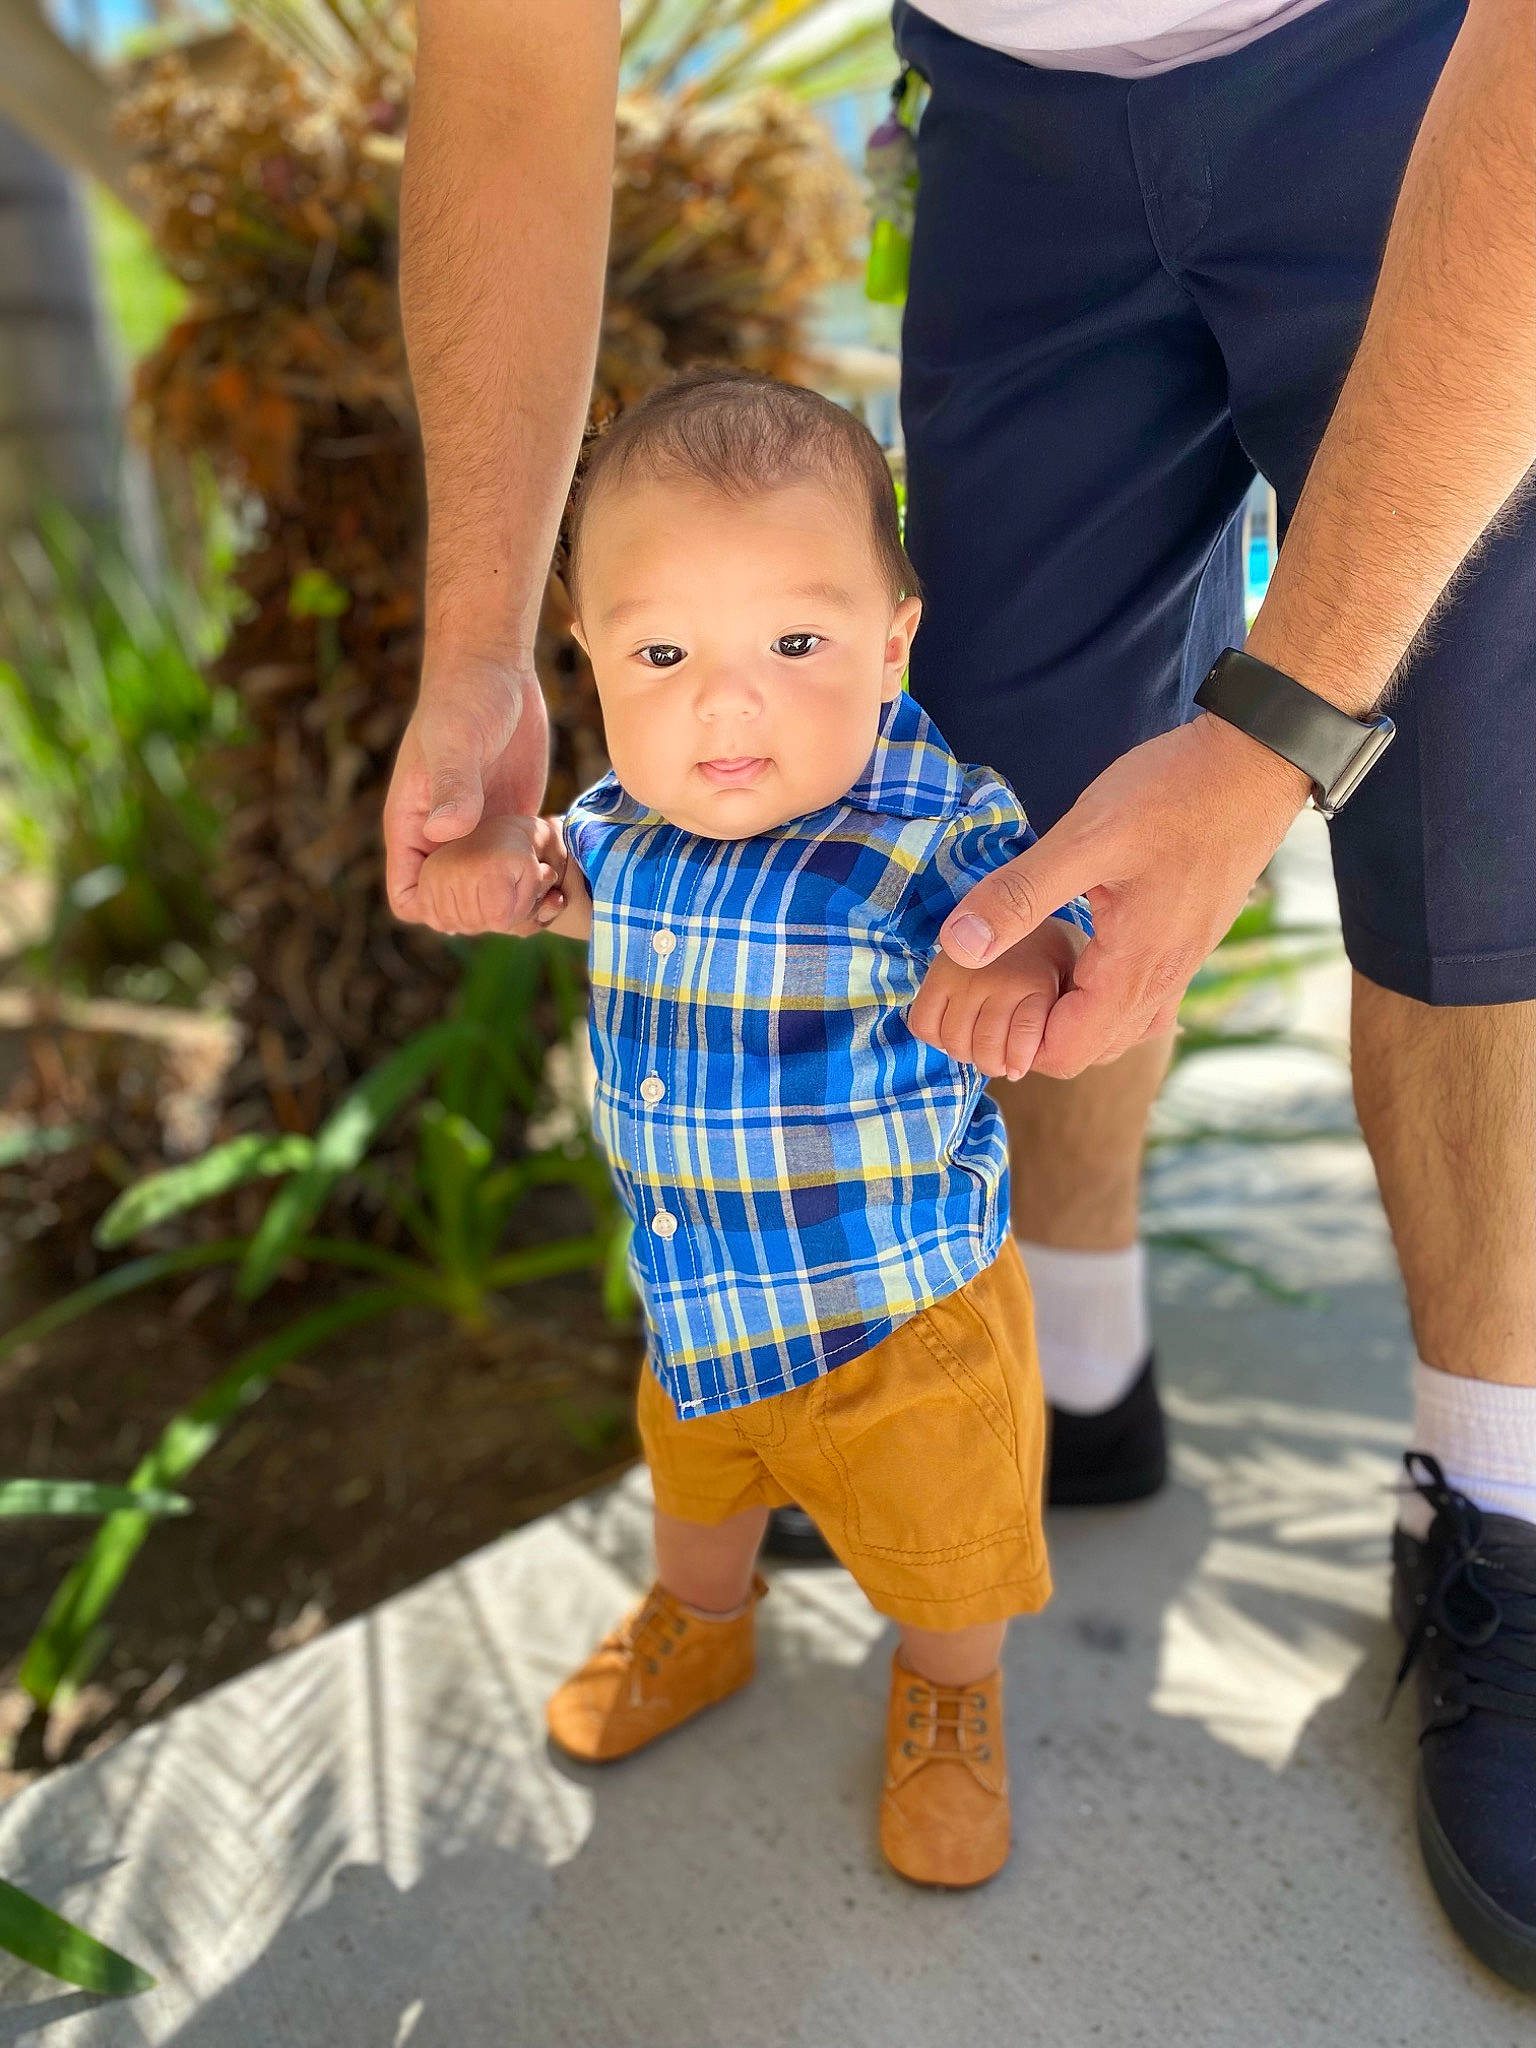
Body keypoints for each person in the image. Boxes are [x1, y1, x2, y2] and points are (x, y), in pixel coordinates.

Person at [385, 0, 1536, 1986]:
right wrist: (487, 643)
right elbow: (509, 65)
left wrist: (1270, 730)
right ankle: (1072, 1382)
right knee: (1019, 772)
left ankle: (1506, 1504)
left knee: (1487, 810)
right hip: (1014, 135)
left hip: (1423, 78)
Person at [414, 369, 1093, 1885]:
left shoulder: (926, 820)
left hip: (897, 1317)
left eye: (797, 642)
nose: (729, 704)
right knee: (698, 1490)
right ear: (587, 658)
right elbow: (559, 878)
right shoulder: (625, 817)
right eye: (663, 652)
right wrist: (496, 869)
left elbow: (1052, 909)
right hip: (703, 1293)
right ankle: (702, 1627)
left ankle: (950, 1695)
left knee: (943, 1543)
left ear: (892, 640)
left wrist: (1030, 959)